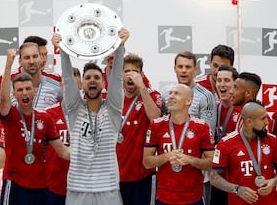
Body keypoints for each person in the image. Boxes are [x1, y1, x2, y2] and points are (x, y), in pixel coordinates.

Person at [51, 27, 129, 205]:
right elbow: (69, 79)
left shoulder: (113, 109)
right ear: (83, 84)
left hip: (107, 187)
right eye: (87, 78)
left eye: (96, 77)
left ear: (103, 83)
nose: (92, 80)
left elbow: (117, 77)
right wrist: (63, 49)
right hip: (78, 188)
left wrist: (119, 46)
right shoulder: (74, 108)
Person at [0, 48, 70, 205]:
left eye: (28, 89)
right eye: (19, 90)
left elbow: (62, 150)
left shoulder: (45, 118)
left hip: (42, 184)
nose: (24, 93)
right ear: (15, 94)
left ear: (35, 91)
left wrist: (88, 156)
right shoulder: (10, 115)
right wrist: (9, 63)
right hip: (15, 182)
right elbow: (3, 100)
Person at [143, 83, 215, 205]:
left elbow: (212, 164)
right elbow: (146, 162)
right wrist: (166, 157)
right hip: (164, 198)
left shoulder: (201, 127)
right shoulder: (156, 125)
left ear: (188, 101)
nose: (171, 96)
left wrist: (190, 160)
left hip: (193, 198)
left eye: (176, 93)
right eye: (170, 93)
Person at [117, 53, 162, 205]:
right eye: (126, 72)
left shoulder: (152, 95)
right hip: (114, 176)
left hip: (142, 175)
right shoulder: (113, 98)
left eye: (135, 72)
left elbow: (156, 119)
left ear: (142, 75)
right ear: (121, 74)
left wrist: (142, 87)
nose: (130, 76)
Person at [211, 101, 277, 205]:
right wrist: (237, 189)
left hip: (269, 201)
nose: (267, 123)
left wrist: (273, 182)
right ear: (249, 121)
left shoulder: (273, 141)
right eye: (263, 118)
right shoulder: (226, 143)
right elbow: (214, 178)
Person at [0, 41, 62, 117]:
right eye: (27, 57)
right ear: (20, 61)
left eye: (35, 56)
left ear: (41, 58)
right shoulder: (5, 79)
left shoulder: (56, 79)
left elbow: (69, 108)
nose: (31, 61)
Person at [45, 67, 81, 205]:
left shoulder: (91, 114)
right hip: (54, 185)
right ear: (61, 85)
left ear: (81, 86)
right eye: (67, 85)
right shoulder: (48, 114)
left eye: (75, 86)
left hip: (82, 186)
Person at [210, 65, 240, 205]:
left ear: (235, 84)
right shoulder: (213, 107)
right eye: (219, 80)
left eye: (226, 80)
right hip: (217, 173)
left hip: (235, 175)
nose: (221, 84)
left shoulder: (242, 110)